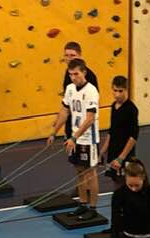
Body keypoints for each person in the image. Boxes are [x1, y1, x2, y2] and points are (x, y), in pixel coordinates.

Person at [48, 59, 100, 222]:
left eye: (76, 74)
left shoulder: (91, 90)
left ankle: (93, 208)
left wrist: (74, 137)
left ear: (84, 72)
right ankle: (82, 203)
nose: (73, 77)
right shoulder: (70, 89)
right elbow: (65, 111)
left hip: (88, 139)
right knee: (78, 170)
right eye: (70, 74)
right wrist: (54, 132)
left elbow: (90, 119)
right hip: (75, 137)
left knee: (89, 172)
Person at [99, 76, 139, 183]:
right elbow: (112, 130)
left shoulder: (131, 109)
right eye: (115, 90)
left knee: (125, 182)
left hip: (124, 154)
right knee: (115, 180)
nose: (117, 94)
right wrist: (103, 151)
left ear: (126, 90)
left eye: (120, 91)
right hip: (113, 152)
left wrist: (121, 158)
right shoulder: (113, 106)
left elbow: (133, 137)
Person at [61, 41, 98, 142]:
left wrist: (76, 135)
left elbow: (92, 108)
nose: (69, 58)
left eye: (72, 55)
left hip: (84, 129)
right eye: (66, 55)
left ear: (80, 56)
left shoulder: (90, 77)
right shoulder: (67, 73)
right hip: (71, 122)